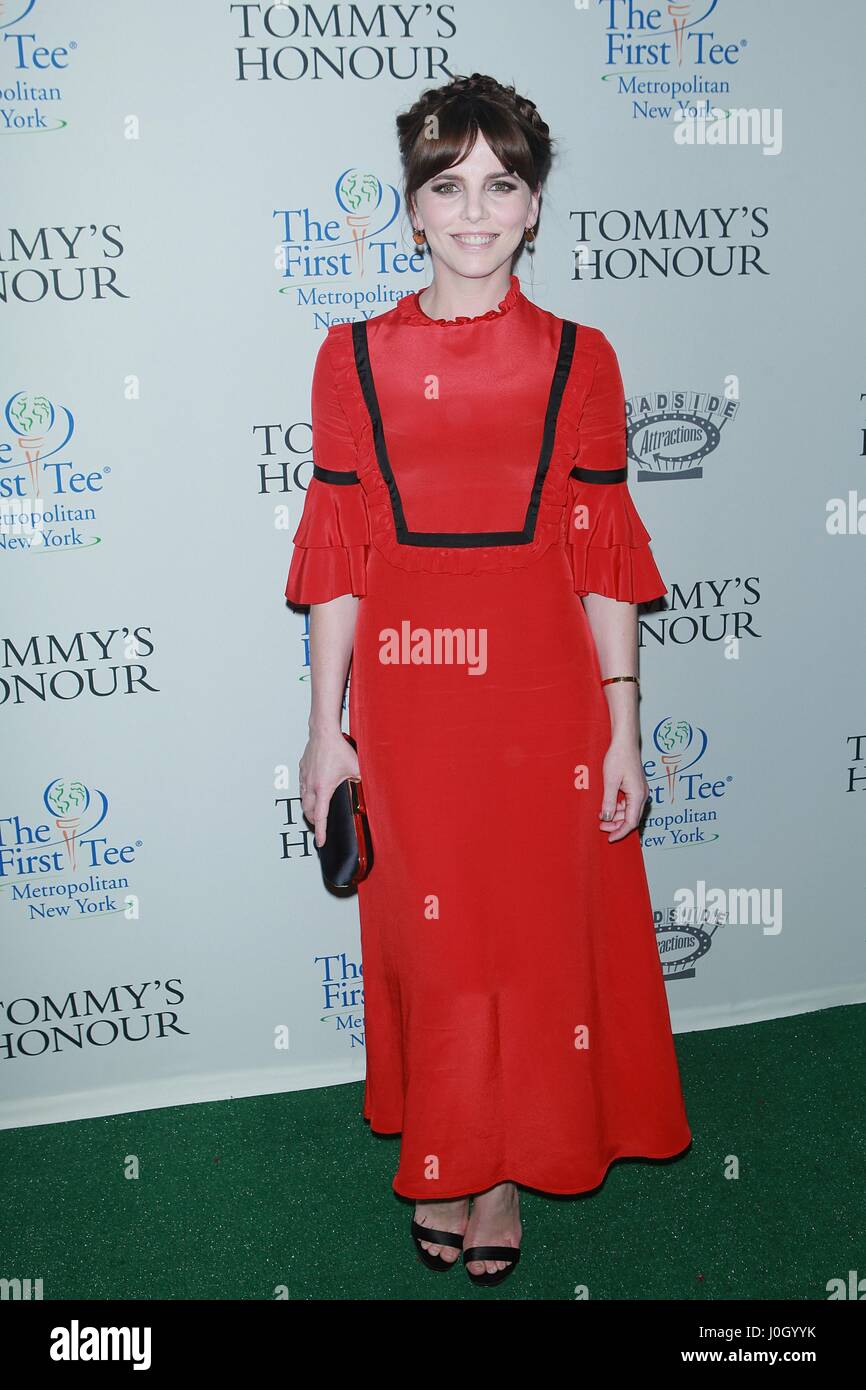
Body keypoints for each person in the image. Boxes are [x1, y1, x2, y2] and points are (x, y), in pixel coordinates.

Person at [284, 72, 691, 1287]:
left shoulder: (581, 359)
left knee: (530, 943)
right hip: (410, 710)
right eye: (446, 185)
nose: (473, 210)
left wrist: (622, 726)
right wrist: (324, 730)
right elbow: (337, 565)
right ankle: (450, 1153)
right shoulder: (349, 359)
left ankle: (501, 1170)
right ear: (409, 207)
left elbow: (605, 561)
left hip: (545, 701)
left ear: (532, 207)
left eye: (500, 184)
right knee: (435, 949)